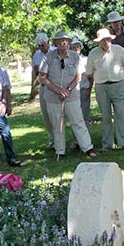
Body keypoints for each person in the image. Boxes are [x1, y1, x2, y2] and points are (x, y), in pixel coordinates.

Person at [39, 31, 97, 160]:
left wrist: (67, 90)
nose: (63, 43)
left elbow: (78, 76)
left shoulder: (75, 57)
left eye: (66, 40)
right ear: (55, 43)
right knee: (57, 123)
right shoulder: (48, 58)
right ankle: (59, 150)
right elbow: (43, 77)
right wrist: (58, 90)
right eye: (60, 41)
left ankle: (88, 148)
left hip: (72, 95)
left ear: (69, 43)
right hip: (53, 97)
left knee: (78, 121)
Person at [86, 28, 124, 150]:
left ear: (111, 39)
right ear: (98, 42)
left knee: (121, 114)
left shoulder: (119, 50)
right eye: (103, 40)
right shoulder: (93, 54)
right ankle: (107, 144)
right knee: (106, 116)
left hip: (118, 84)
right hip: (101, 87)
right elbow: (89, 73)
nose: (106, 42)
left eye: (108, 39)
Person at [32, 33, 55, 148]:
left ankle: (60, 138)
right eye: (39, 46)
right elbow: (35, 72)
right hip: (44, 87)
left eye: (43, 45)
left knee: (55, 114)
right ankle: (53, 138)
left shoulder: (55, 51)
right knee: (46, 114)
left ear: (48, 42)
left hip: (55, 87)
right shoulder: (37, 55)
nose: (41, 48)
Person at [70, 39, 92, 124]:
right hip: (72, 90)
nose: (76, 49)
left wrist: (89, 89)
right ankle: (75, 135)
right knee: (74, 113)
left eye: (77, 46)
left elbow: (90, 76)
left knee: (84, 111)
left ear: (81, 48)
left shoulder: (86, 60)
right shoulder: (68, 60)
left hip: (84, 89)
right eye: (73, 47)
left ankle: (85, 133)